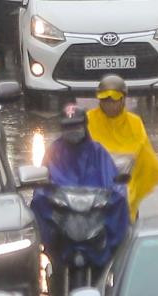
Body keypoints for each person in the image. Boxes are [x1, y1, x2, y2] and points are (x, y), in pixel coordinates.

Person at [34, 105, 130, 263]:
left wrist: (116, 190)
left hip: (94, 209)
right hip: (63, 210)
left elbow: (111, 179)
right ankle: (49, 246)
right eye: (68, 127)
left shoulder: (97, 151)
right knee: (38, 203)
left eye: (76, 126)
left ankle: (116, 255)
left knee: (120, 201)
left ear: (84, 126)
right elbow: (43, 181)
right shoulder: (54, 151)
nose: (73, 130)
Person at [87, 75, 158, 217]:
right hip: (94, 188)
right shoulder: (88, 120)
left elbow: (142, 153)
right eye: (105, 100)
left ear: (123, 99)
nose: (110, 104)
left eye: (114, 100)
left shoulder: (134, 123)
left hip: (125, 188)